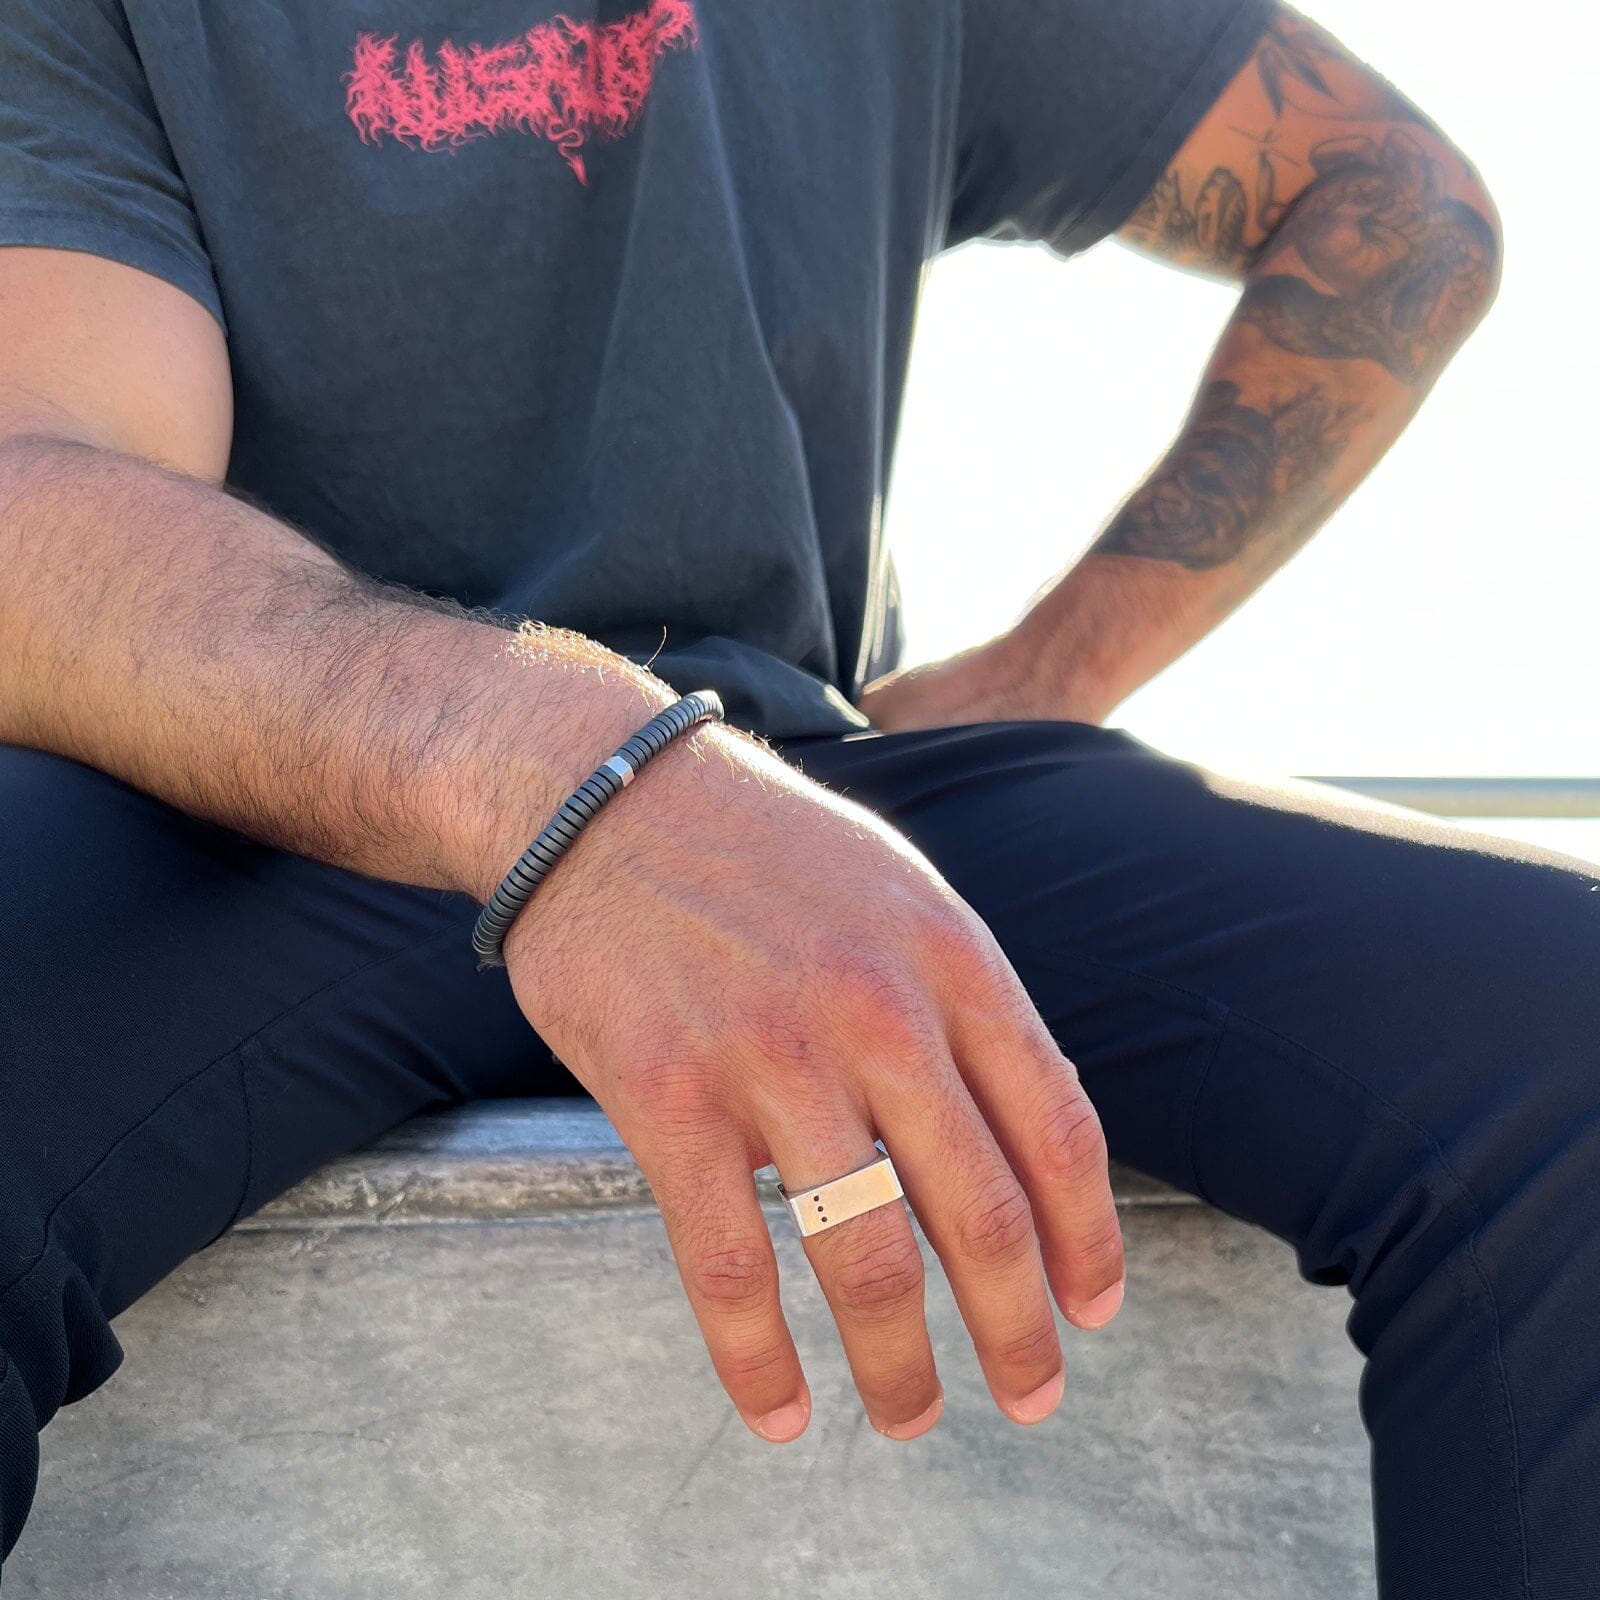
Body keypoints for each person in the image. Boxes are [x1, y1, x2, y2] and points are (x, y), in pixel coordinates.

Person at [0, 0, 1592, 1592]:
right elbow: (45, 481)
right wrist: (562, 768)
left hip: (800, 798)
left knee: (1559, 1030)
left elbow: (1400, 209)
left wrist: (1047, 670)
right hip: (245, 792)